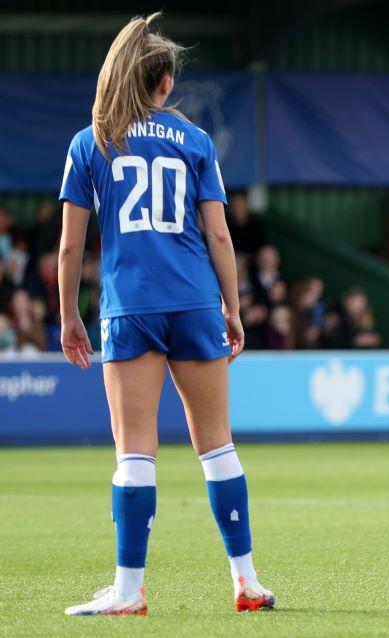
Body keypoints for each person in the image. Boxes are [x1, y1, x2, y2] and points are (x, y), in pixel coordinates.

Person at [58, 13, 274, 615]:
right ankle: (247, 582)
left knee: (135, 451)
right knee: (218, 446)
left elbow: (72, 245)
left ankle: (128, 590)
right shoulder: (197, 142)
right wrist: (231, 308)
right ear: (165, 83)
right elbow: (220, 236)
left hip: (130, 307)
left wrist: (68, 313)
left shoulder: (91, 141)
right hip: (195, 301)